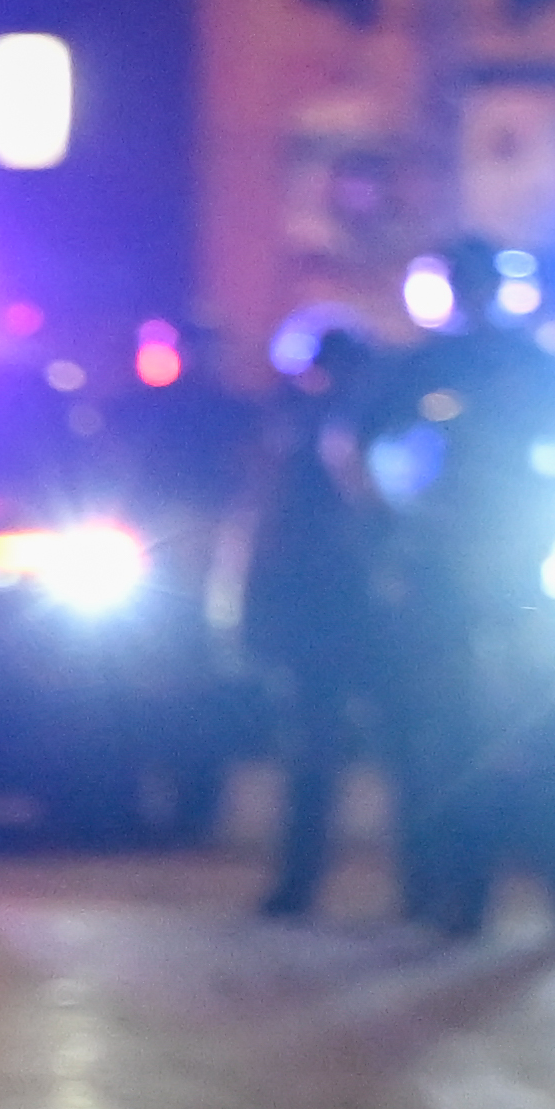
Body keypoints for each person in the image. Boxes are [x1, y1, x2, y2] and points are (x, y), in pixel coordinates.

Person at [359, 244, 555, 947]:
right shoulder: (428, 367)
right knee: (447, 739)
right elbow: (360, 451)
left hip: (513, 571)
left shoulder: (524, 365)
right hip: (445, 576)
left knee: (541, 732)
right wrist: (403, 522)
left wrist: (549, 518)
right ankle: (453, 894)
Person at [239, 307, 399, 919]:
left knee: (331, 753)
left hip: (357, 609)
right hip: (333, 611)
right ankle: (307, 884)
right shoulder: (310, 430)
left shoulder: (351, 430)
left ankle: (419, 890)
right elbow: (269, 527)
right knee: (319, 754)